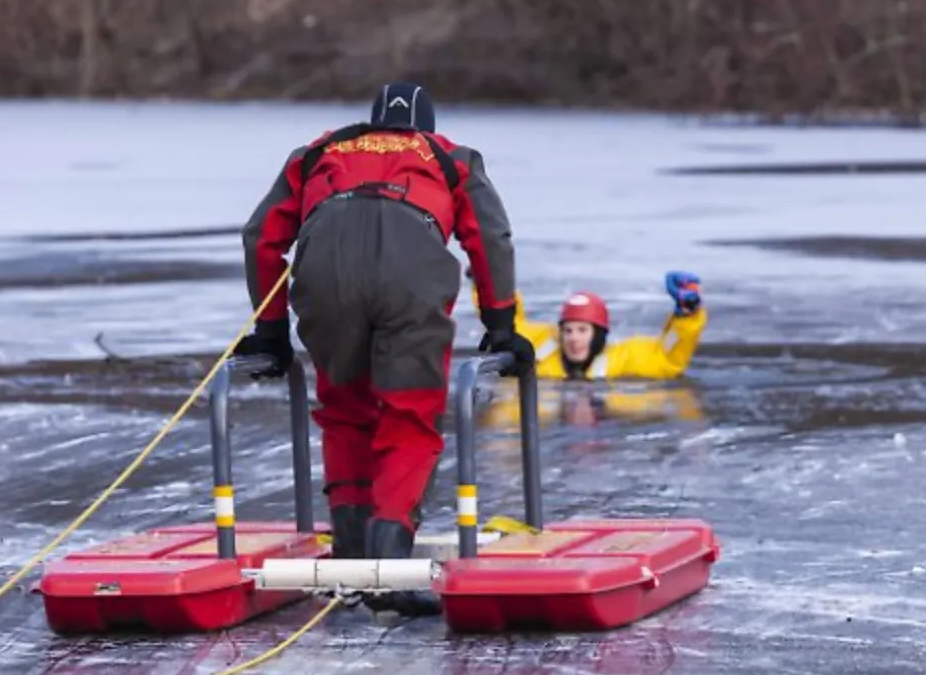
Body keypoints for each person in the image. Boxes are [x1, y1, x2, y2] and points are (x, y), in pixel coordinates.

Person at [235, 81, 536, 617]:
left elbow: (261, 235)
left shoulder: (316, 153)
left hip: (325, 271)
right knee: (408, 416)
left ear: (372, 122)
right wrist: (501, 322)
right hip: (410, 273)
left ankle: (351, 554)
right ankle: (389, 563)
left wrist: (271, 330)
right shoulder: (451, 157)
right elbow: (490, 238)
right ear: (425, 125)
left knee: (345, 411)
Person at [471, 271, 707, 380]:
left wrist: (687, 314)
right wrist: (489, 278)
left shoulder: (623, 359)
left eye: (583, 330)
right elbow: (508, 321)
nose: (573, 338)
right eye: (568, 330)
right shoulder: (540, 349)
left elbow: (668, 357)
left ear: (598, 335)